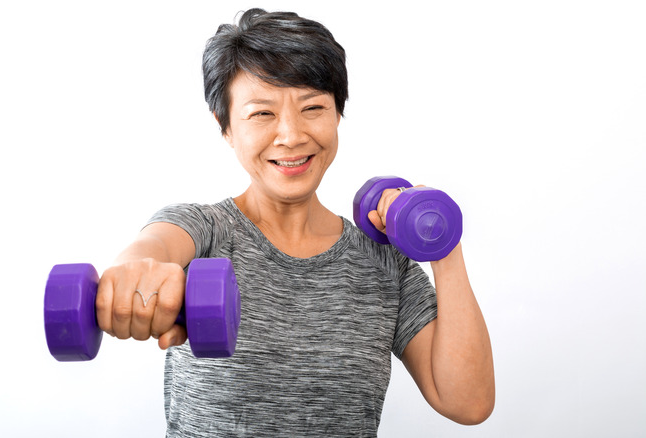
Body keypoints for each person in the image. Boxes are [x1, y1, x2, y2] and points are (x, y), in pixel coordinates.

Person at [95, 8, 494, 436]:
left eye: (313, 107)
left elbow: (467, 402)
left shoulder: (384, 265)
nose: (291, 135)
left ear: (338, 114)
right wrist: (134, 270)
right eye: (262, 114)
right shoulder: (204, 231)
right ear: (226, 126)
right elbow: (153, 246)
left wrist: (442, 246)